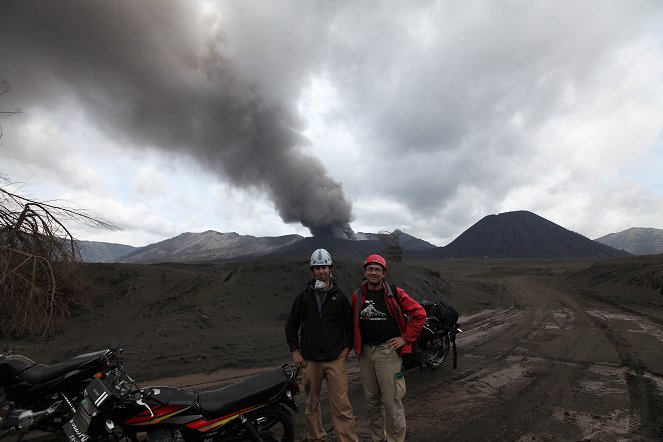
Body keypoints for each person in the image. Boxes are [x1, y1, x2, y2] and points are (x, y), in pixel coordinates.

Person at [285, 249, 359, 442]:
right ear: (312, 270)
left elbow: (350, 325)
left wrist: (346, 348)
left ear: (330, 268)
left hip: (335, 360)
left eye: (324, 267)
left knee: (342, 405)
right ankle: (316, 438)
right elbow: (291, 324)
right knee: (312, 405)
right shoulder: (304, 297)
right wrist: (295, 350)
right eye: (317, 268)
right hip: (310, 361)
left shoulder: (339, 296)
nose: (321, 271)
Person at [352, 254, 426, 442]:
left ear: (384, 273)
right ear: (365, 271)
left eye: (378, 269)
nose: (374, 272)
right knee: (372, 403)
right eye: (370, 269)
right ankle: (378, 438)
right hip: (366, 354)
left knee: (392, 402)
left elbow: (419, 314)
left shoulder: (395, 293)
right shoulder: (358, 295)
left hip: (388, 352)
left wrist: (405, 338)